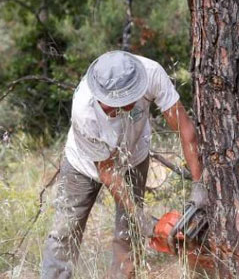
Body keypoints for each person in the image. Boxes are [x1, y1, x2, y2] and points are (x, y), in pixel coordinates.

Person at [41, 50, 208, 279]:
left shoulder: (151, 74)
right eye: (111, 104)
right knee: (65, 232)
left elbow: (185, 129)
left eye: (124, 100)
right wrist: (142, 219)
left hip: (133, 157)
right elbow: (107, 170)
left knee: (127, 234)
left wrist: (200, 185)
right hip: (83, 165)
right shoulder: (84, 110)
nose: (116, 108)